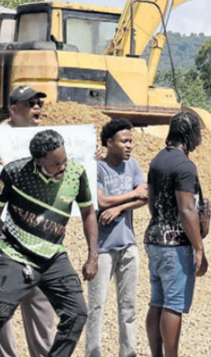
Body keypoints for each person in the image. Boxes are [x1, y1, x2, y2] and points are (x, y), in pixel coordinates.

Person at [0, 129, 99, 357]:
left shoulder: (76, 174)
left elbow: (88, 213)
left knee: (77, 313)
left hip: (53, 256)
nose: (63, 167)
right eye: (57, 164)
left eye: (65, 160)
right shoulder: (15, 172)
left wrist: (92, 256)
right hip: (16, 254)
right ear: (39, 161)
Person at [0, 85, 56, 357]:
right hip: (5, 227)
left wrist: (90, 158)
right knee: (3, 296)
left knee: (40, 297)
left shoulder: (49, 140)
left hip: (40, 230)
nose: (37, 108)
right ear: (13, 109)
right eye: (30, 103)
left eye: (38, 102)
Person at [144, 112, 210, 357]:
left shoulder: (158, 160)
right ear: (190, 135)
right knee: (173, 305)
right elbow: (186, 210)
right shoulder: (185, 166)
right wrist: (199, 248)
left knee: (157, 302)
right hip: (175, 245)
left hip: (154, 238)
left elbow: (152, 203)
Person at [86, 118, 148, 357]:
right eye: (124, 141)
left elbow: (146, 197)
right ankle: (93, 353)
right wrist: (131, 194)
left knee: (129, 307)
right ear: (109, 142)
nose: (129, 146)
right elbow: (101, 201)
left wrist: (119, 208)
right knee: (96, 306)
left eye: (131, 141)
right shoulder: (98, 168)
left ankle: (128, 352)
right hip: (102, 248)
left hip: (128, 245)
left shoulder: (133, 166)